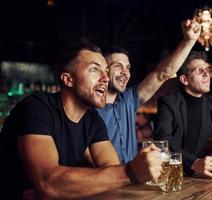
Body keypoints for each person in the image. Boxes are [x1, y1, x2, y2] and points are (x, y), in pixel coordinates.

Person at [0, 42, 163, 199]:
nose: (105, 78)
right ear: (68, 79)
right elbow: (48, 183)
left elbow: (112, 172)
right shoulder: (36, 108)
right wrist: (130, 173)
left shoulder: (93, 119)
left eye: (106, 71)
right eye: (94, 69)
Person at [97, 19, 201, 164]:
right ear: (103, 70)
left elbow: (162, 73)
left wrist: (189, 41)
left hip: (132, 181)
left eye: (128, 67)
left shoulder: (129, 99)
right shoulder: (88, 109)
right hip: (105, 182)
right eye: (118, 66)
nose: (125, 72)